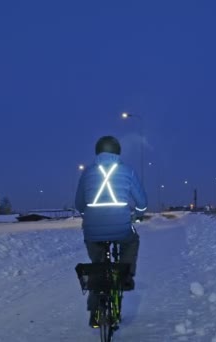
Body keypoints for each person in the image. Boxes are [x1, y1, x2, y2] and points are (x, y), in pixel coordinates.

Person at [75, 135, 148, 328]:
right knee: (132, 241)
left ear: (98, 152)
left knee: (98, 266)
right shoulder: (127, 172)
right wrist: (138, 215)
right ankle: (126, 276)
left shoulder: (88, 173)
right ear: (117, 152)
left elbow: (79, 204)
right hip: (121, 227)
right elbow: (142, 203)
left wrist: (88, 216)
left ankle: (95, 312)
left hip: (92, 230)